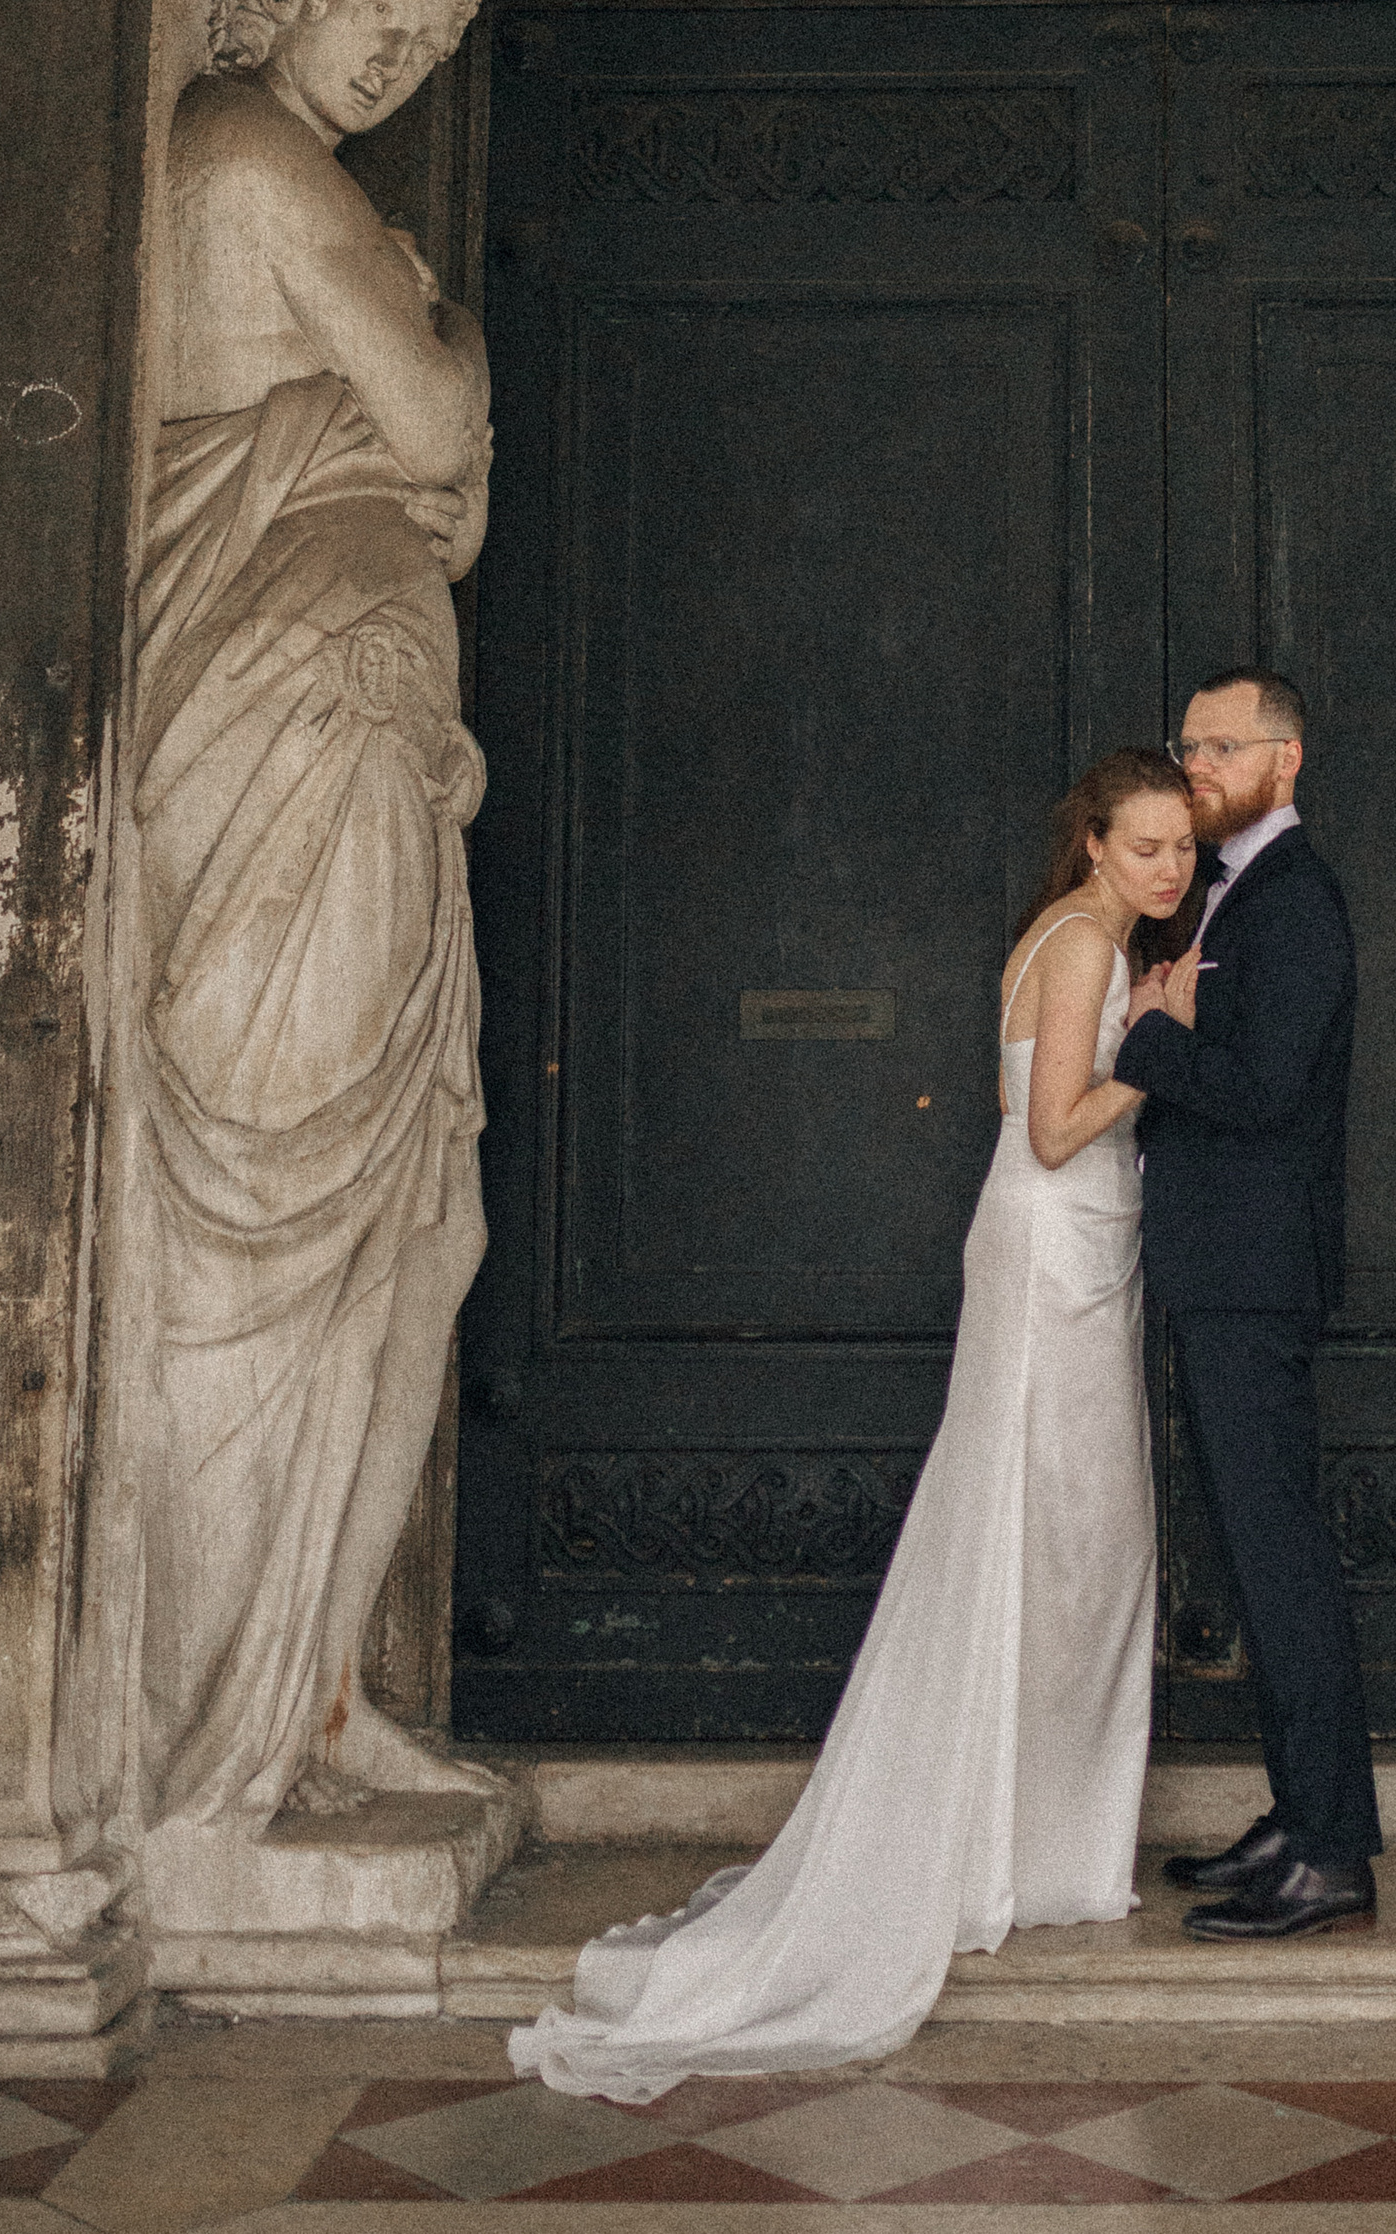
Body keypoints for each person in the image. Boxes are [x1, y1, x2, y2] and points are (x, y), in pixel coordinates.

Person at [510, 751, 1198, 2096]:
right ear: (1096, 845)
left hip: (1067, 1251)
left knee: (1072, 1544)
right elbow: (1053, 1127)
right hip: (1056, 1249)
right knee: (1047, 1534)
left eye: (1182, 847)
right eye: (1148, 846)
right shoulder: (1079, 948)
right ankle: (1010, 1847)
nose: (1171, 869)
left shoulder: (1084, 939)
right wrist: (1160, 1050)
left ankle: (1035, 1841)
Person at [138, 0, 494, 1825]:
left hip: (345, 722)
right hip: (282, 723)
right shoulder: (254, 152)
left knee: (420, 1231)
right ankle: (223, 1729)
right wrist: (453, 330)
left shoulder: (272, 162)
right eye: (374, 10)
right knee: (283, 1224)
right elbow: (434, 416)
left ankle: (318, 1698)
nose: (395, 58)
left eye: (429, 42)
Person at [1112, 671, 1383, 1937]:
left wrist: (1140, 1043)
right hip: (1221, 1271)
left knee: (1281, 1561)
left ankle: (1330, 1852)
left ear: (1286, 758)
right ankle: (1297, 1815)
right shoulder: (1235, 893)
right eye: (1188, 745)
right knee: (1258, 1552)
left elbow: (1265, 1088)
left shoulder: (1297, 904)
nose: (1197, 765)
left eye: (1221, 747)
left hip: (1255, 1277)